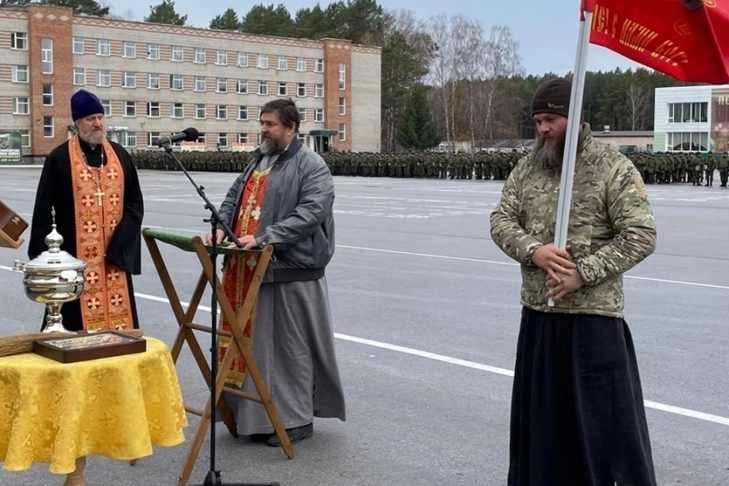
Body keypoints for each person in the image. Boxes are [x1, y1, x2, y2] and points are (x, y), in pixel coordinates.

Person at [490, 78, 658, 486]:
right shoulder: (528, 166)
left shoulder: (612, 167)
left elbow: (641, 234)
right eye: (537, 120)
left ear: (575, 117)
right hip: (540, 314)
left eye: (551, 119)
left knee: (602, 433)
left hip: (593, 320)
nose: (543, 129)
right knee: (543, 430)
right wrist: (534, 250)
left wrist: (583, 272)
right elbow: (501, 220)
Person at [207, 98, 345, 445]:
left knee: (289, 350)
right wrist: (222, 227)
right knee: (254, 349)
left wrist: (267, 237)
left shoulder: (311, 165)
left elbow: (312, 212)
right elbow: (233, 197)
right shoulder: (258, 160)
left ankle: (296, 420)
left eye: (270, 124)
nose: (263, 129)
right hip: (248, 269)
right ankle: (252, 417)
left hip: (291, 271)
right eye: (262, 123)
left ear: (290, 127)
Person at [29, 89, 144, 331]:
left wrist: (121, 245)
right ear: (78, 123)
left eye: (100, 117)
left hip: (115, 256)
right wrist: (44, 258)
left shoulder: (120, 156)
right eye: (91, 119)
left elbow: (134, 204)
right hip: (74, 258)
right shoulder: (59, 159)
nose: (98, 124)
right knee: (71, 330)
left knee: (121, 330)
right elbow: (42, 209)